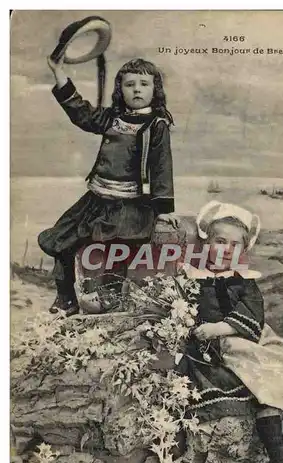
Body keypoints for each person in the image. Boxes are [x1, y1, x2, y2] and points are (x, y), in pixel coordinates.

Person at [177, 200, 283, 463]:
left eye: (234, 245)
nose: (226, 250)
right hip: (221, 347)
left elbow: (253, 316)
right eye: (220, 241)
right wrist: (201, 329)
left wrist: (221, 325)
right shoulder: (193, 278)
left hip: (251, 337)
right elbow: (186, 313)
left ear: (242, 251)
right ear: (206, 244)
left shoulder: (244, 282)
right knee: (264, 387)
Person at [38, 56, 179, 316]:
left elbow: (162, 167)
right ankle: (66, 298)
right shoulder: (111, 119)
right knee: (60, 241)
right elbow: (80, 112)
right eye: (130, 84)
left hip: (130, 206)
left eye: (144, 84)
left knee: (115, 256)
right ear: (120, 90)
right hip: (96, 201)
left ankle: (111, 306)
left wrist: (164, 210)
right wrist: (58, 72)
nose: (137, 89)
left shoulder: (157, 126)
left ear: (155, 90)